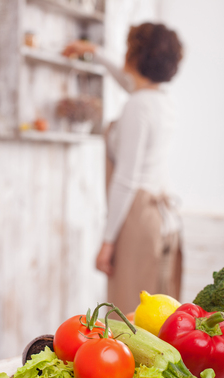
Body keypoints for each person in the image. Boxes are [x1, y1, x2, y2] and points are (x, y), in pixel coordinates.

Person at [63, 23, 184, 314]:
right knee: (156, 316)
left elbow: (126, 179)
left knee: (129, 318)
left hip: (137, 218)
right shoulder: (161, 101)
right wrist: (95, 52)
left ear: (135, 55)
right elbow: (129, 82)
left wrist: (107, 242)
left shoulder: (137, 106)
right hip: (163, 218)